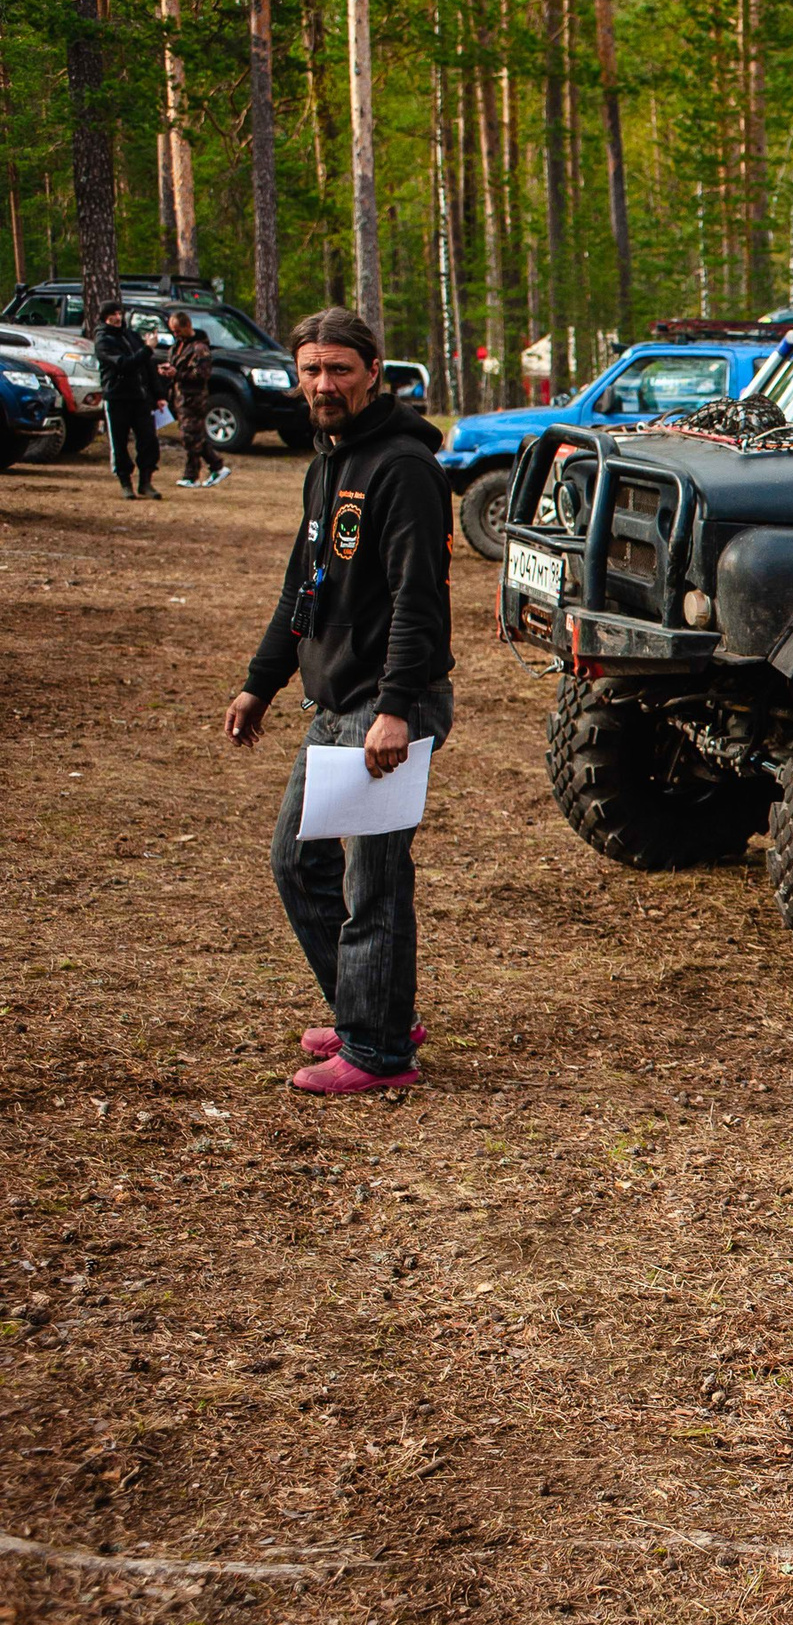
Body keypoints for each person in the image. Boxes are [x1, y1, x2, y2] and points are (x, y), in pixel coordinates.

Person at [223, 308, 454, 1094]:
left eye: (340, 370)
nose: (324, 384)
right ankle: (372, 1007)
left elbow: (418, 597)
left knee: (374, 884)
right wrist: (262, 682)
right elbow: (304, 585)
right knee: (298, 861)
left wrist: (396, 705)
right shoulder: (326, 462)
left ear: (373, 369)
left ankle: (381, 1050)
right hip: (335, 704)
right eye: (312, 369)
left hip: (390, 706)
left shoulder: (403, 467)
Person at [92, 302, 165, 499]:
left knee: (148, 439)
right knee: (119, 442)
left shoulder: (131, 336)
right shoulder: (103, 340)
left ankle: (146, 482)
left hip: (140, 397)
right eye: (113, 314)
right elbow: (124, 365)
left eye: (119, 313)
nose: (118, 317)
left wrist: (158, 395)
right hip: (116, 397)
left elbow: (146, 367)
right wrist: (147, 350)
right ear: (105, 317)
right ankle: (125, 482)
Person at [164, 311, 229, 488]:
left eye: (178, 330)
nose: (175, 334)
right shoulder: (179, 346)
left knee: (190, 436)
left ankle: (195, 473)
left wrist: (178, 374)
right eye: (173, 331)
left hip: (194, 399)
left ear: (187, 326)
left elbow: (202, 374)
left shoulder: (199, 349)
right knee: (193, 436)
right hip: (180, 398)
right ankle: (214, 467)